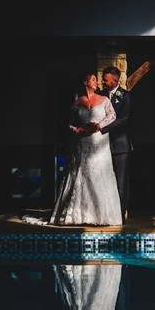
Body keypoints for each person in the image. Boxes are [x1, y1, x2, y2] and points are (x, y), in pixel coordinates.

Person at [49, 72, 122, 226]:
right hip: (81, 142)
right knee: (80, 173)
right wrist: (76, 130)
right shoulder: (77, 102)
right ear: (85, 82)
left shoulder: (104, 100)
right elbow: (69, 123)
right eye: (94, 79)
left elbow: (112, 116)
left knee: (99, 172)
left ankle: (102, 215)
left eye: (97, 79)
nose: (97, 82)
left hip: (98, 142)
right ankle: (77, 214)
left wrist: (97, 126)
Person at [98, 66, 132, 223]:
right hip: (102, 146)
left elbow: (123, 119)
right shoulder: (101, 95)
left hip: (120, 146)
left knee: (120, 181)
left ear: (115, 80)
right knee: (104, 180)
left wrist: (102, 128)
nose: (102, 82)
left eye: (105, 80)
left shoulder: (125, 96)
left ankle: (120, 213)